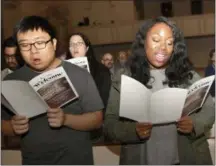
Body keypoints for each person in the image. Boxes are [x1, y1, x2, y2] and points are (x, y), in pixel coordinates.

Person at [104, 16, 215, 165]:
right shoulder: (124, 78)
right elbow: (110, 125)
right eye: (156, 40)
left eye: (169, 43)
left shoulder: (188, 76)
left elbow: (209, 110)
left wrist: (194, 123)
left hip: (186, 158)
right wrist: (133, 130)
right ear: (143, 42)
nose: (163, 47)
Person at [1, 15, 103, 165]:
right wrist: (12, 127)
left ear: (54, 43)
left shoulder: (78, 74)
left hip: (77, 160)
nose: (33, 51)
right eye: (25, 45)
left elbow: (97, 119)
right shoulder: (11, 80)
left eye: (40, 43)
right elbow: (3, 124)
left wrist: (66, 119)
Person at [66, 33, 111, 112]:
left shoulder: (102, 70)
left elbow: (105, 100)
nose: (75, 47)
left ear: (87, 48)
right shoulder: (63, 70)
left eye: (79, 43)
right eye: (71, 44)